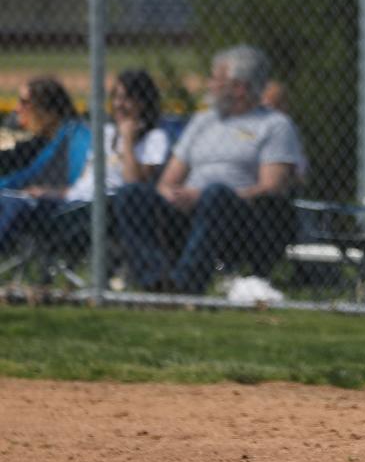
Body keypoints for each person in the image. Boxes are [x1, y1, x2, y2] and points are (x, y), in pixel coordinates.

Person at [112, 46, 302, 294]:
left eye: (216, 79)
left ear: (239, 87)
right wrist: (172, 194)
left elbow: (271, 187)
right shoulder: (203, 122)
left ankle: (185, 284)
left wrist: (204, 197)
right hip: (188, 210)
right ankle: (156, 281)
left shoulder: (275, 125)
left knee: (216, 194)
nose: (209, 84)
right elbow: (168, 180)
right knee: (131, 195)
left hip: (242, 218)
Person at [0, 78, 90, 253]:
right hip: (62, 202)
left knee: (12, 202)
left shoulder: (71, 135)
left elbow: (32, 174)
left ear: (49, 109)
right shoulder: (62, 134)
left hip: (70, 207)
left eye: (25, 102)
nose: (17, 109)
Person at [65, 69, 170, 203]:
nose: (118, 104)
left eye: (126, 98)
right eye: (115, 97)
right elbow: (83, 182)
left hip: (104, 205)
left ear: (143, 103)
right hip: (74, 200)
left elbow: (134, 185)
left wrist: (127, 140)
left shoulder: (155, 137)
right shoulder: (106, 132)